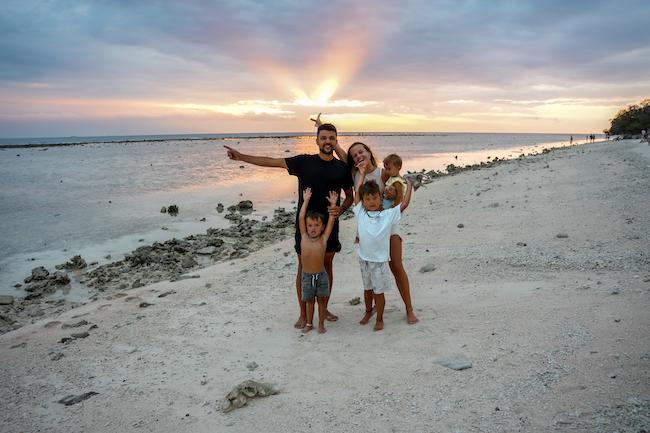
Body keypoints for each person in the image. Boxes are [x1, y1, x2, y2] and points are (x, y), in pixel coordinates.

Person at [224, 123, 353, 329]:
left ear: (336, 141)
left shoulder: (341, 168)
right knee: (303, 269)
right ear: (317, 140)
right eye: (324, 137)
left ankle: (323, 308)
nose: (327, 141)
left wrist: (342, 209)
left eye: (331, 138)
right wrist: (242, 157)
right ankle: (303, 314)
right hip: (305, 225)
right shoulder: (303, 162)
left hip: (329, 226)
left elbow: (350, 196)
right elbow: (271, 161)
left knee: (326, 268)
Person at [337, 141, 419, 325]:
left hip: (388, 226)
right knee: (370, 271)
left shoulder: (383, 173)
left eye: (361, 152)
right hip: (367, 230)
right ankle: (372, 309)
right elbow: (343, 158)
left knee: (396, 267)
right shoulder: (355, 174)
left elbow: (399, 194)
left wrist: (398, 202)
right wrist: (334, 144)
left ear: (368, 151)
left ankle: (409, 309)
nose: (358, 156)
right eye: (354, 155)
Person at [353, 163, 413, 331]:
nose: (371, 202)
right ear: (363, 202)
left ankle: (379, 318)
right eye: (367, 199)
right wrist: (363, 174)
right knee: (367, 289)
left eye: (374, 198)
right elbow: (357, 191)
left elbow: (404, 205)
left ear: (380, 198)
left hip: (379, 261)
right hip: (364, 259)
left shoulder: (387, 214)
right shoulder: (361, 212)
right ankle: (368, 311)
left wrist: (409, 186)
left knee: (379, 292)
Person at [298, 187, 338, 333]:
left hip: (321, 276)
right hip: (307, 276)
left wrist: (333, 205)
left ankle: (321, 324)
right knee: (309, 302)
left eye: (316, 225)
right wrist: (306, 200)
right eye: (310, 226)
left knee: (321, 301)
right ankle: (309, 323)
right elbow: (301, 217)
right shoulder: (303, 237)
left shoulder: (323, 239)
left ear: (322, 228)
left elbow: (331, 221)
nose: (313, 228)